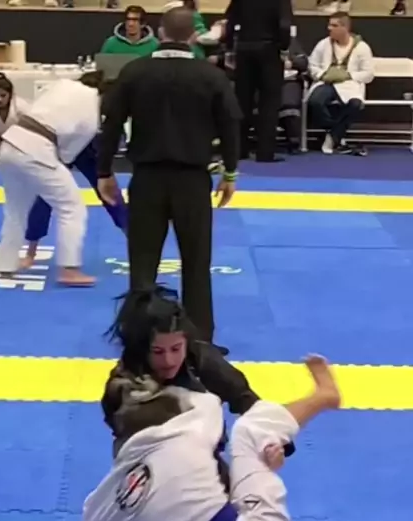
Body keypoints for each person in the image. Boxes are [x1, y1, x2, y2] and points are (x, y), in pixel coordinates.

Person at [80, 286, 295, 521]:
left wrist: (275, 443)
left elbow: (248, 402)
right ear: (142, 350)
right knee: (131, 472)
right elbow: (128, 449)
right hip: (152, 467)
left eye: (176, 348)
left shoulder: (200, 358)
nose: (169, 360)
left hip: (205, 460)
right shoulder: (124, 384)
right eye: (158, 352)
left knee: (245, 470)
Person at [83, 355, 340, 521]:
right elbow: (210, 400)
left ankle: (261, 468)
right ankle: (323, 397)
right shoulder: (191, 426)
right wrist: (175, 384)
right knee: (251, 430)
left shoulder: (122, 473)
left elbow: (94, 518)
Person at [96, 6, 241, 345]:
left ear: (160, 33)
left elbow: (111, 123)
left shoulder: (136, 71)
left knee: (143, 263)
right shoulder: (210, 76)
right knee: (196, 262)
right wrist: (230, 172)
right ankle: (200, 340)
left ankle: (139, 338)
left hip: (147, 178)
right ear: (194, 36)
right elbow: (230, 125)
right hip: (192, 180)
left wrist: (104, 171)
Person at [0, 74, 100, 285]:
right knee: (72, 207)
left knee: (15, 209)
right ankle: (69, 269)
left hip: (9, 144)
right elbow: (68, 155)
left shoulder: (61, 84)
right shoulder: (93, 109)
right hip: (36, 149)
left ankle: (6, 264)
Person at [22, 139, 128, 267]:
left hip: (86, 140)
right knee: (45, 195)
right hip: (62, 141)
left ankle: (137, 246)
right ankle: (31, 251)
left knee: (110, 194)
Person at [225, 0, 293, 162]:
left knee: (242, 100)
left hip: (244, 48)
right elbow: (284, 25)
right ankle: (265, 152)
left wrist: (229, 48)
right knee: (269, 102)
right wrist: (283, 47)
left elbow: (230, 22)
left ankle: (240, 149)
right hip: (269, 49)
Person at [308, 13, 374, 155]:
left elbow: (368, 74)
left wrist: (349, 75)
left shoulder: (362, 47)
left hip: (349, 84)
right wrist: (322, 75)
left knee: (355, 104)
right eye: (329, 25)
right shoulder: (323, 44)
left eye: (334, 25)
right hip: (326, 83)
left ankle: (331, 138)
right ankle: (335, 133)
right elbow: (312, 65)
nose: (329, 28)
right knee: (315, 101)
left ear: (345, 27)